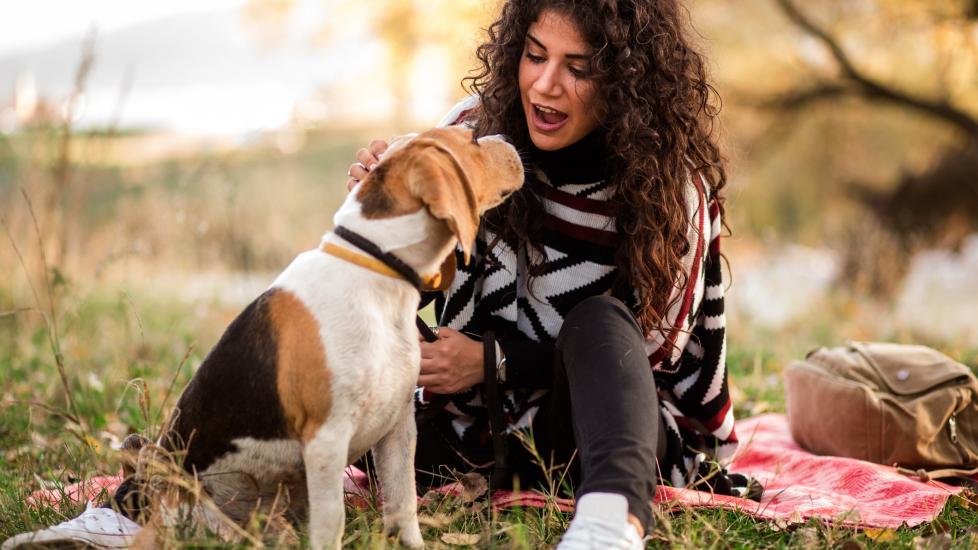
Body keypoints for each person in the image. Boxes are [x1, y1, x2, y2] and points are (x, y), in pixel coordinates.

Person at [347, 1, 752, 549]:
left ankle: (610, 527)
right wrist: (381, 213)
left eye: (578, 69)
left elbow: (652, 352)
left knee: (602, 321)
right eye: (534, 56)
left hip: (602, 435)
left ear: (627, 80)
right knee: (343, 312)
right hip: (470, 435)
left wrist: (494, 361)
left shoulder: (672, 187)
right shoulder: (472, 134)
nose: (545, 85)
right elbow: (413, 281)